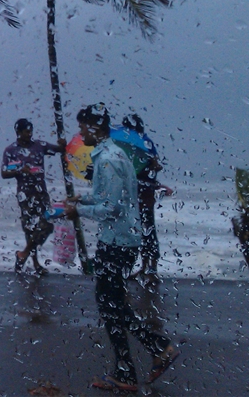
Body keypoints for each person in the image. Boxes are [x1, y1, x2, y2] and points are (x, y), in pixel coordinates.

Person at [64, 104, 179, 392]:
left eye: (82, 127)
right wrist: (82, 202)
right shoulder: (111, 155)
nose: (80, 133)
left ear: (94, 127)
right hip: (120, 238)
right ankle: (128, 369)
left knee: (110, 303)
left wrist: (79, 212)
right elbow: (109, 200)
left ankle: (156, 351)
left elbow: (111, 208)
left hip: (117, 241)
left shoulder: (108, 160)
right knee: (111, 304)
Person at [1, 118, 65, 275]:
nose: (29, 134)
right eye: (26, 131)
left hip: (41, 192)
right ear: (18, 132)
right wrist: (20, 170)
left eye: (31, 131)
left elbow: (58, 150)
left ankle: (23, 254)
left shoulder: (39, 145)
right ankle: (36, 263)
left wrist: (63, 145)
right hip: (25, 194)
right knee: (29, 228)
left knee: (47, 225)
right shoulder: (11, 150)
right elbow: (4, 173)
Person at [120, 114, 173, 283]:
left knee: (148, 230)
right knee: (140, 232)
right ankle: (144, 268)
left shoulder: (144, 143)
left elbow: (157, 165)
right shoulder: (128, 146)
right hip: (133, 194)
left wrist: (147, 163)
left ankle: (152, 270)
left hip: (145, 194)